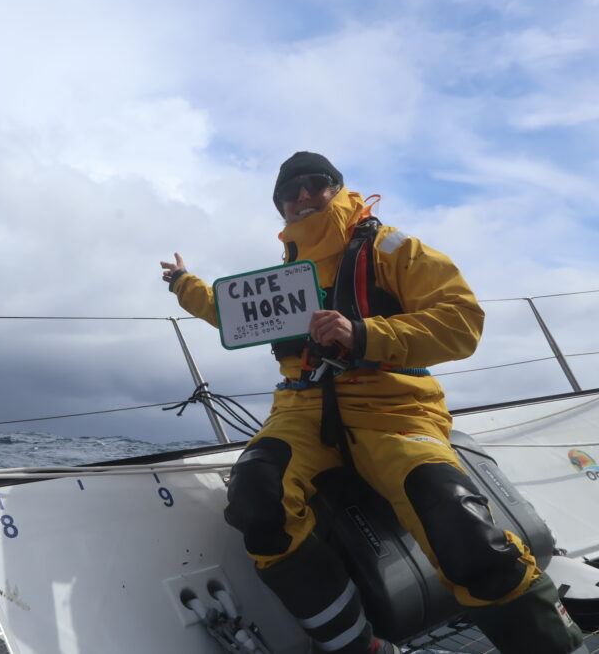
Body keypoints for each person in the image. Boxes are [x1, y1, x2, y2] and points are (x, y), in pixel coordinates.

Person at [160, 151, 585, 654]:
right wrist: (186, 286)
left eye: (314, 184)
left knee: (457, 518)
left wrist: (363, 334)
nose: (301, 197)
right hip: (301, 411)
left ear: (337, 187)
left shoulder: (392, 247)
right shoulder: (286, 271)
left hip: (395, 410)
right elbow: (229, 313)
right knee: (257, 496)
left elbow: (462, 321)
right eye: (287, 193)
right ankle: (360, 647)